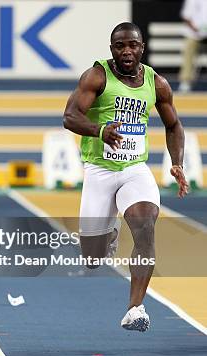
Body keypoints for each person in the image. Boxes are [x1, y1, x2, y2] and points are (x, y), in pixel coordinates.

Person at [63, 22, 189, 332]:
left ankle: (135, 308)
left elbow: (173, 124)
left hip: (135, 169)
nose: (127, 51)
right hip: (99, 170)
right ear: (112, 50)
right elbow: (70, 117)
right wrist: (100, 130)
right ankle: (108, 234)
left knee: (145, 225)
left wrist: (177, 163)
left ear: (142, 48)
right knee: (92, 258)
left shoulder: (157, 84)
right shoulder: (96, 76)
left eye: (132, 45)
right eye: (120, 46)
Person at [178, 0, 207, 92]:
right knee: (189, 50)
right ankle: (186, 82)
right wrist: (197, 29)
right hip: (194, 34)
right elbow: (186, 17)